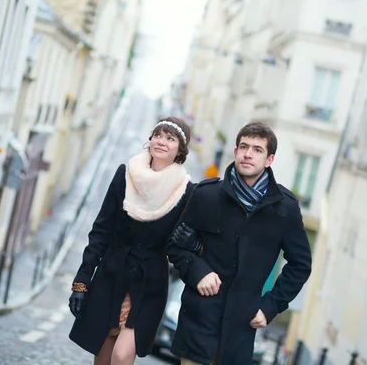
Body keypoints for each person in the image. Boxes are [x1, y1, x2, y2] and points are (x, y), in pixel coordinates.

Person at [167, 122, 312, 365]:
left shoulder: (284, 208)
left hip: (241, 329)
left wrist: (270, 306)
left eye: (257, 149)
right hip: (199, 318)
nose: (248, 154)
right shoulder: (206, 194)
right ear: (235, 152)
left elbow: (301, 265)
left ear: (269, 159)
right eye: (244, 146)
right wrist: (198, 272)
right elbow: (175, 244)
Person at [68, 117, 196, 365]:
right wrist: (81, 282)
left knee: (122, 355)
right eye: (158, 135)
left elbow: (183, 243)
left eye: (171, 139)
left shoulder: (187, 191)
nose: (162, 142)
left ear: (180, 151)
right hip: (111, 275)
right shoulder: (125, 174)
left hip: (149, 284)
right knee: (103, 357)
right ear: (150, 139)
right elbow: (101, 231)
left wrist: (193, 244)